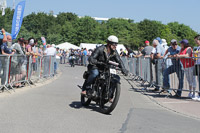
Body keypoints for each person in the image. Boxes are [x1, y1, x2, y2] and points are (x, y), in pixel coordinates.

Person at [193, 35, 200, 101]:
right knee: (198, 79)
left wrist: (197, 52)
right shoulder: (198, 47)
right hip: (197, 64)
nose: (196, 42)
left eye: (196, 41)